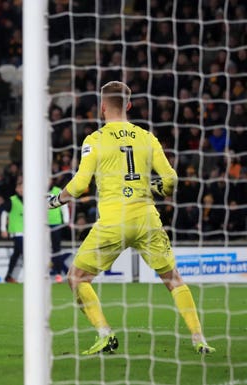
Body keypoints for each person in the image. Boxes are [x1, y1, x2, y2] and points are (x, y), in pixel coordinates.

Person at [47, 81, 215, 355]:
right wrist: (159, 189)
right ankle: (199, 338)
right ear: (128, 105)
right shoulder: (147, 137)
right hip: (147, 218)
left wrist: (54, 201)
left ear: (102, 108)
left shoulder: (95, 140)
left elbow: (79, 186)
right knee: (174, 280)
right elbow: (171, 179)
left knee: (77, 278)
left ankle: (105, 334)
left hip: (114, 221)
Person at [0, 180, 23, 283]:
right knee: (26, 254)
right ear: (17, 189)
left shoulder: (31, 199)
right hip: (17, 232)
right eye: (21, 188)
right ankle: (35, 276)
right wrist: (3, 229)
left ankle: (8, 276)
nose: (23, 190)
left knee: (16, 255)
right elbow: (4, 214)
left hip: (28, 233)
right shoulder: (11, 200)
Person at [48, 178, 70, 283]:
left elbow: (64, 205)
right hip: (41, 225)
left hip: (56, 224)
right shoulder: (37, 190)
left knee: (56, 249)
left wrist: (66, 220)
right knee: (44, 250)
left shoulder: (57, 190)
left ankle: (58, 273)